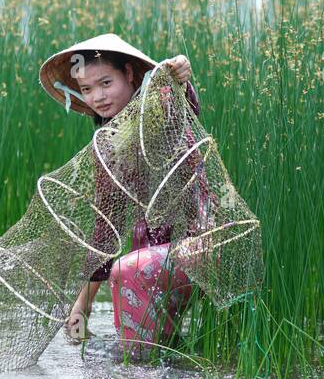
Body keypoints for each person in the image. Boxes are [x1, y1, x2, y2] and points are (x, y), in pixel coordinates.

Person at [36, 33, 212, 358]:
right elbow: (106, 232)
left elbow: (181, 99)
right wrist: (82, 307)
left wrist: (178, 73)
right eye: (86, 89)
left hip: (200, 246)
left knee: (127, 274)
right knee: (155, 351)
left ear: (130, 74)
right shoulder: (107, 148)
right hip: (150, 259)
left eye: (106, 83)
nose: (98, 97)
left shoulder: (158, 109)